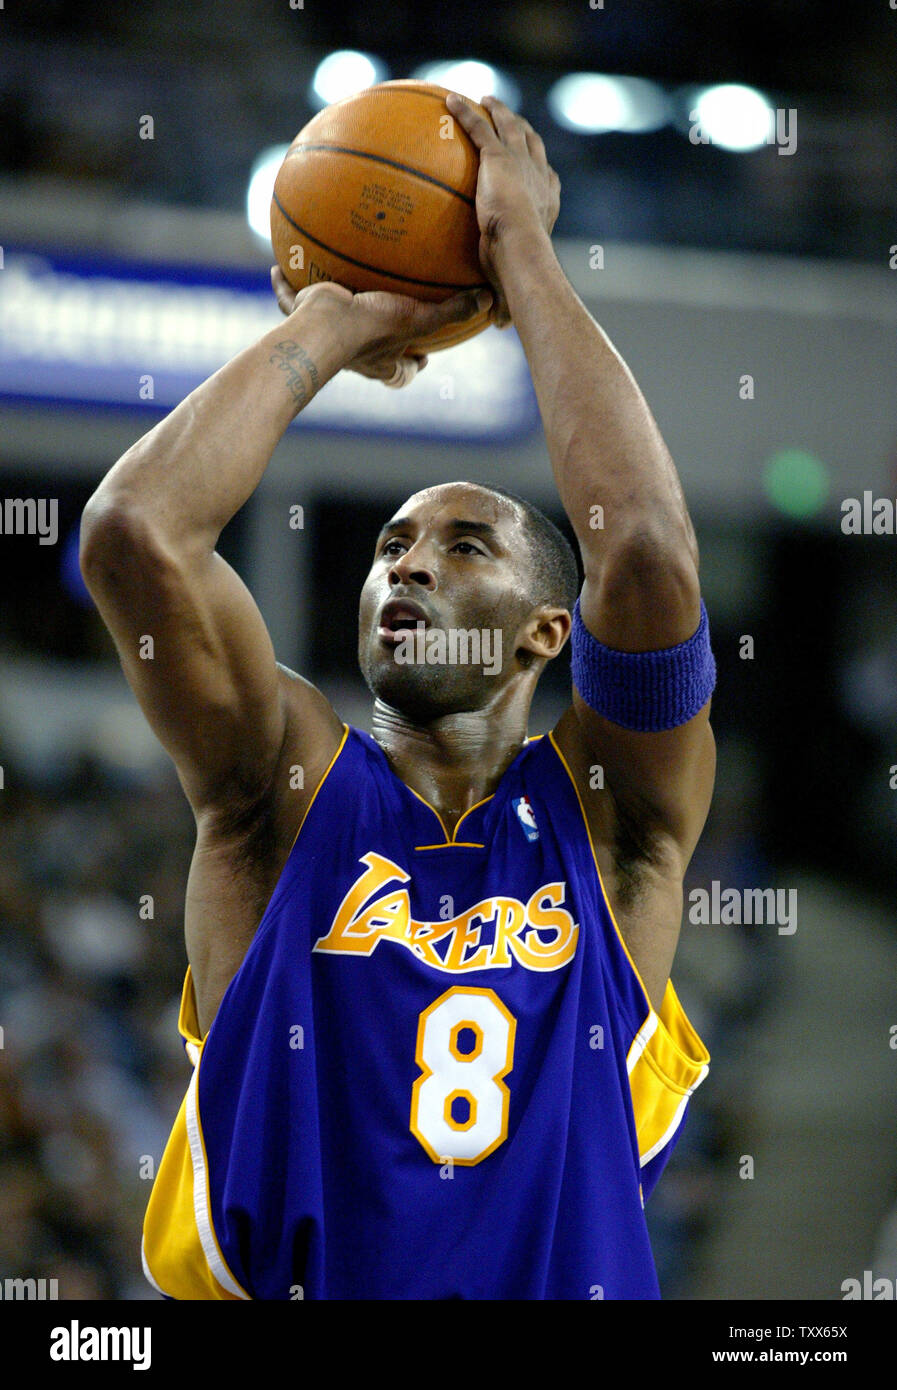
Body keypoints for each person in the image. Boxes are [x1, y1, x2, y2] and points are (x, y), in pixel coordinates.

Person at [80, 92, 716, 1300]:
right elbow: (134, 537)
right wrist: (337, 318)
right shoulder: (285, 791)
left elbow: (640, 550)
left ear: (548, 631)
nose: (408, 563)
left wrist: (519, 250)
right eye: (388, 545)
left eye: (464, 545)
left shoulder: (609, 820)